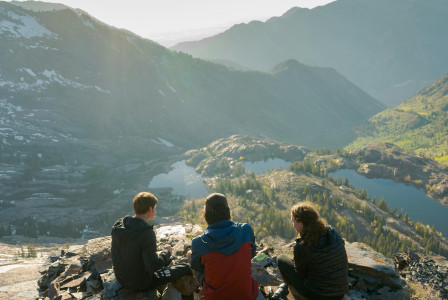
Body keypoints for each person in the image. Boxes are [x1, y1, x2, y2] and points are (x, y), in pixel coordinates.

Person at [111, 192, 192, 292]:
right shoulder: (146, 234)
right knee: (184, 268)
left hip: (121, 279)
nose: (154, 211)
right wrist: (167, 253)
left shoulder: (119, 226)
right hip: (140, 283)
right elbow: (153, 266)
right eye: (154, 208)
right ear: (150, 209)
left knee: (163, 259)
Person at [190, 193, 259, 300]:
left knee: (191, 256)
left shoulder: (198, 242)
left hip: (215, 297)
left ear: (206, 214)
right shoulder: (245, 230)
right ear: (228, 210)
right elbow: (252, 254)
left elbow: (198, 267)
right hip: (246, 295)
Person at [276, 201, 348, 300]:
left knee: (281, 259)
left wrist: (299, 259)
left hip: (320, 296)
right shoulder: (332, 232)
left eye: (293, 221)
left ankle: (292, 292)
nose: (292, 224)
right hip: (340, 292)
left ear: (301, 224)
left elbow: (300, 275)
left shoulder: (302, 246)